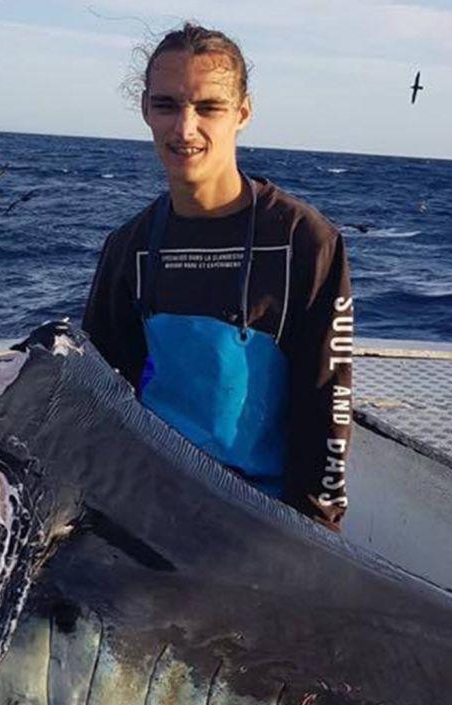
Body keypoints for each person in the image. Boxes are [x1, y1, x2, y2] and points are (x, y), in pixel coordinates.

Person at [83, 22, 355, 530]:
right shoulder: (129, 248)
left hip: (264, 527)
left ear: (243, 114)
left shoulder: (303, 241)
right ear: (145, 110)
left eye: (209, 107)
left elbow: (327, 408)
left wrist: (309, 541)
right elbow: (100, 400)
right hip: (153, 515)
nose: (185, 128)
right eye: (166, 105)